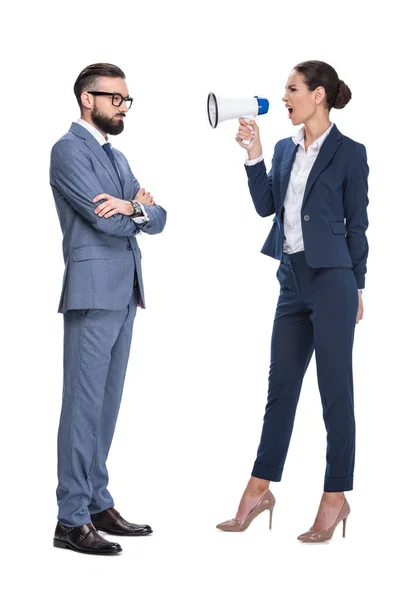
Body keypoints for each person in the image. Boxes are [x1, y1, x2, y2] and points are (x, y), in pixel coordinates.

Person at [216, 60, 369, 542]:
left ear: (318, 95)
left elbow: (358, 223)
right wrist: (253, 154)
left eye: (292, 89)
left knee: (334, 391)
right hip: (291, 280)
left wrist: (358, 285)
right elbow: (267, 205)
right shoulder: (283, 148)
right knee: (280, 388)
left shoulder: (350, 152)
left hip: (334, 282)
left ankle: (335, 496)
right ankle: (259, 489)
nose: (284, 97)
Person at [49, 63, 167, 555]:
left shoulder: (115, 155)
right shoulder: (67, 151)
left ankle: (97, 501)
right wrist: (130, 210)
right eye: (114, 98)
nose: (122, 107)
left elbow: (159, 217)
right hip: (93, 290)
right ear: (86, 99)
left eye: (126, 99)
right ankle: (70, 518)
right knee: (82, 405)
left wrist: (133, 208)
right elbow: (105, 224)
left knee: (106, 405)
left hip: (125, 292)